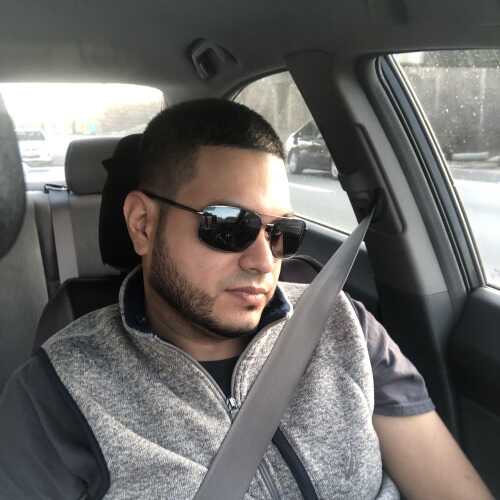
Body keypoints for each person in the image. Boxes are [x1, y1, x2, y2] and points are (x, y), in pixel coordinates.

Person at [0, 99, 493, 500]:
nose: (264, 261)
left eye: (282, 232)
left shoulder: (343, 325)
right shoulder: (54, 393)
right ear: (143, 225)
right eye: (228, 226)